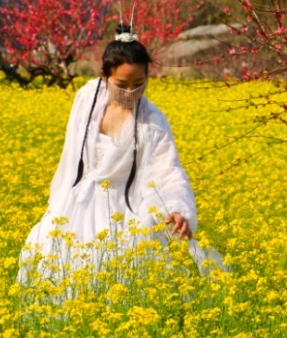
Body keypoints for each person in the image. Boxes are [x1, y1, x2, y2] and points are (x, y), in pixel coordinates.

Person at [17, 23, 226, 289]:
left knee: (117, 281)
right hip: (76, 204)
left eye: (139, 84)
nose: (130, 93)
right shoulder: (86, 99)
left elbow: (168, 169)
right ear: (103, 76)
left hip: (123, 212)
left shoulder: (152, 121)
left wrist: (177, 209)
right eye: (121, 84)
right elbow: (71, 152)